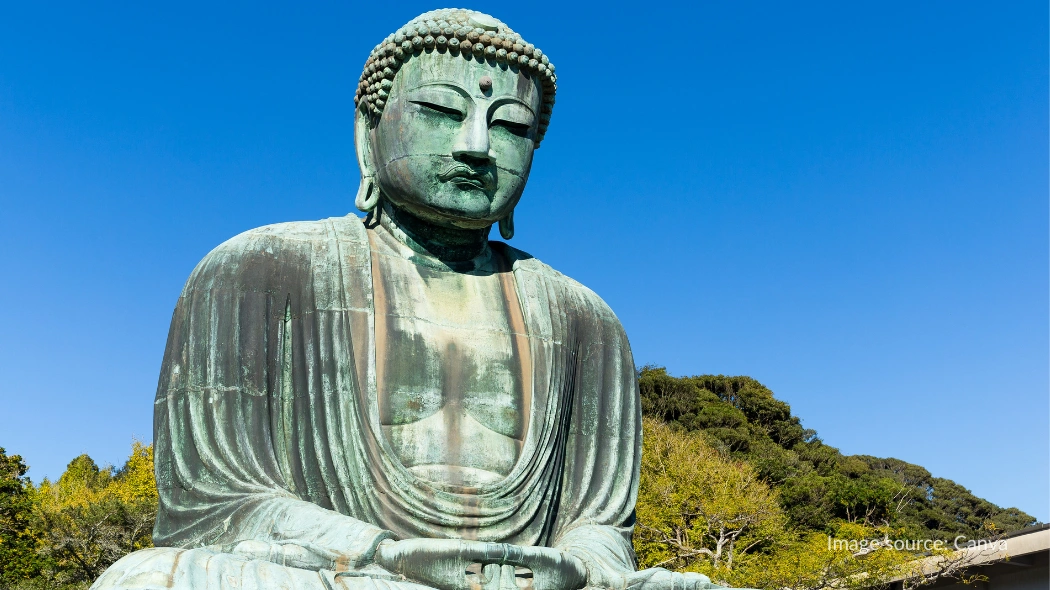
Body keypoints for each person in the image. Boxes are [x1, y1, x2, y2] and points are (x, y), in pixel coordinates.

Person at [92, 9, 726, 590]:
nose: (477, 145)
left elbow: (600, 528)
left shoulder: (585, 320)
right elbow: (215, 504)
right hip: (349, 572)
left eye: (509, 125)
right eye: (443, 112)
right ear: (369, 132)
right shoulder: (257, 270)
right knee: (152, 580)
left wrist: (579, 566)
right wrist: (386, 554)